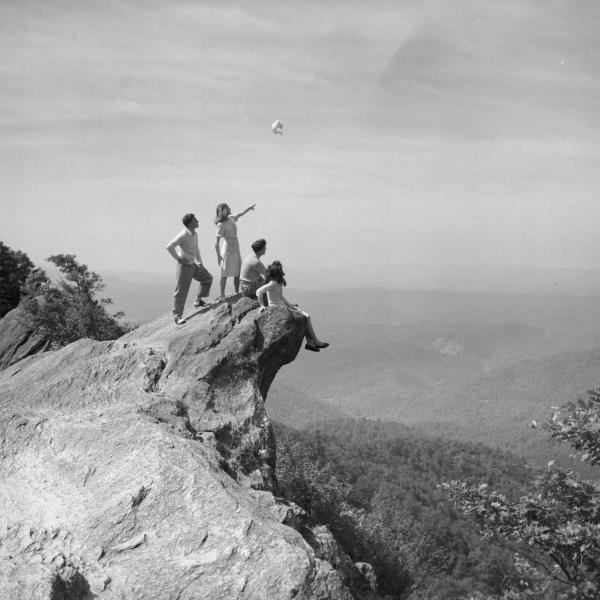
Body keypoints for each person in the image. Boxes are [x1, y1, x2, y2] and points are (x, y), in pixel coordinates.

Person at [256, 261, 329, 352]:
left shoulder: (277, 283)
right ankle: (314, 341)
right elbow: (259, 292)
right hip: (277, 308)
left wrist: (290, 305)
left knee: (305, 316)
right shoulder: (273, 283)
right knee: (306, 316)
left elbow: (280, 296)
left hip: (282, 307)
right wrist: (262, 305)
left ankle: (310, 342)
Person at [166, 213, 213, 325]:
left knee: (207, 279)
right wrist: (178, 258)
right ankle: (177, 316)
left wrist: (200, 263)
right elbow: (169, 246)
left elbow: (196, 249)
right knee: (181, 291)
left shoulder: (195, 234)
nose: (197, 221)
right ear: (190, 223)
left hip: (193, 265)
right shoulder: (183, 235)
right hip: (184, 267)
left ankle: (198, 301)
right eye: (195, 220)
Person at [214, 203, 255, 298]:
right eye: (227, 208)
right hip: (227, 249)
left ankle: (237, 292)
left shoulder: (231, 218)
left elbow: (241, 213)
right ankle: (222, 294)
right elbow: (216, 242)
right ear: (222, 211)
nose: (229, 209)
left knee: (237, 271)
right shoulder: (221, 224)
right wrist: (218, 256)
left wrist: (248, 208)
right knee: (224, 273)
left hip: (235, 247)